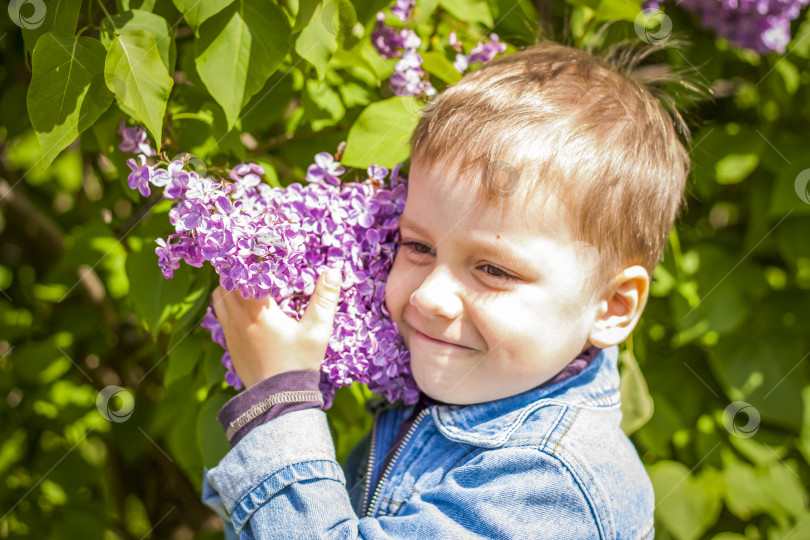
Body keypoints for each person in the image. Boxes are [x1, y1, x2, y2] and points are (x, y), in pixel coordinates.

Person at [200, 38, 694, 539]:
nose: (429, 297)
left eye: (494, 271)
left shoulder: (554, 483)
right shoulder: (455, 401)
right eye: (417, 246)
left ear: (611, 306)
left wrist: (277, 404)